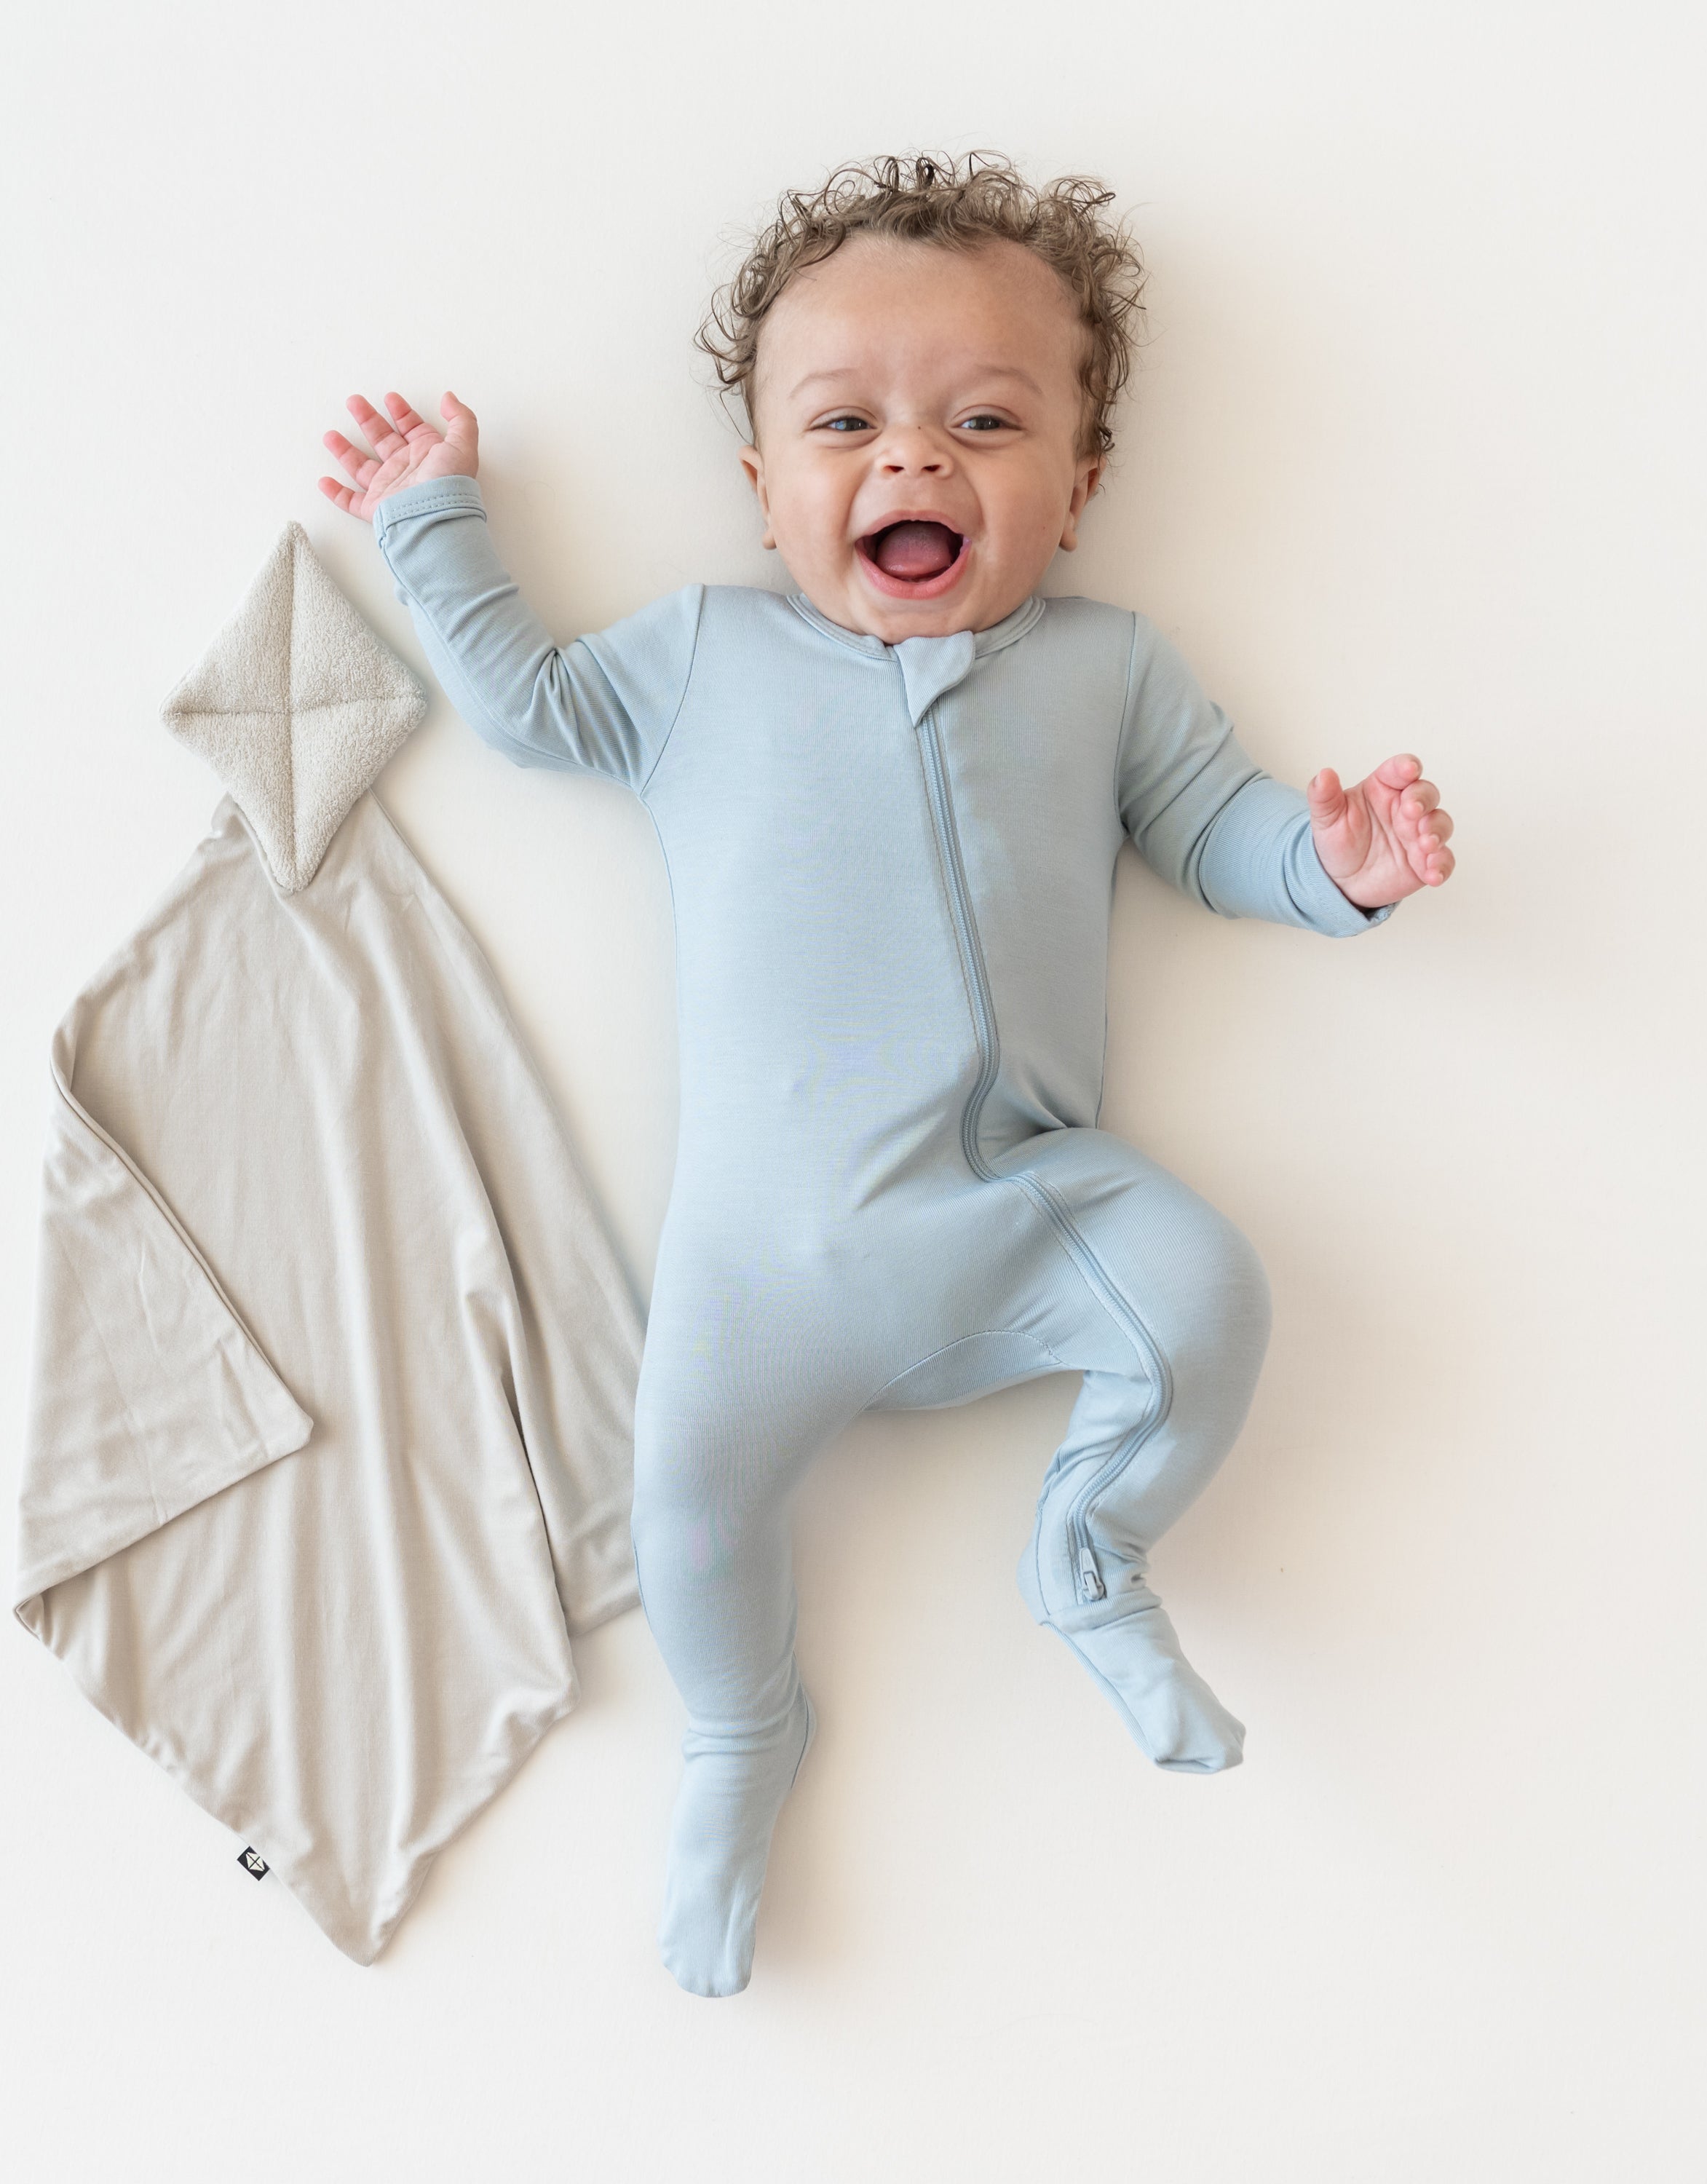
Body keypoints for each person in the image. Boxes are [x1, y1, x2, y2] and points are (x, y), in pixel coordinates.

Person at [317, 153, 1455, 1997]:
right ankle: (740, 1732)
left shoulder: (1108, 672)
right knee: (683, 1510)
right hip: (765, 1263)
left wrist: (1338, 868)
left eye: (984, 423)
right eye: (844, 423)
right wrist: (430, 519)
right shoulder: (702, 657)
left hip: (1030, 1206)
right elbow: (531, 706)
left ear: (1079, 487)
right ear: (763, 488)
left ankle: (1089, 1553)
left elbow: (1218, 830)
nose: (912, 459)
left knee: (1210, 1294)